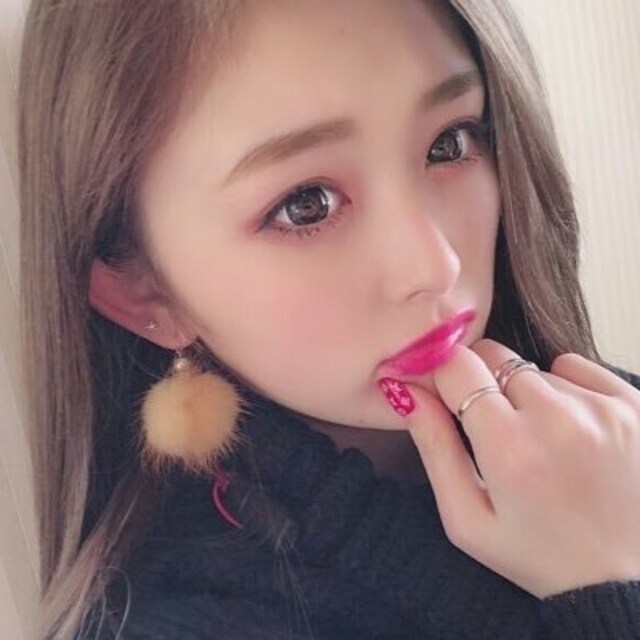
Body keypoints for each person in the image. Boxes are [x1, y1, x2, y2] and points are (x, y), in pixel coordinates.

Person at [16, 0, 640, 638]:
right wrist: (605, 586)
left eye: (448, 144)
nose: (435, 265)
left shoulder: (611, 433)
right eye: (306, 205)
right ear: (146, 295)